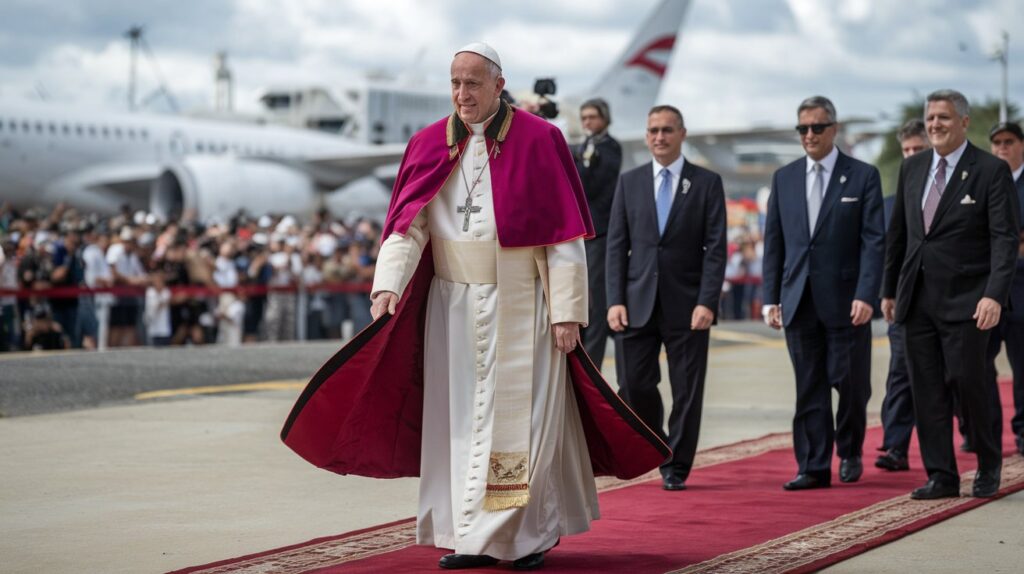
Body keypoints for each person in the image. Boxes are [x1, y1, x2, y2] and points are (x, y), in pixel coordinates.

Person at [280, 43, 668, 571]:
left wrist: (567, 311)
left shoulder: (541, 139)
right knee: (458, 420)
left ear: (498, 84)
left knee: (520, 421)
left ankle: (523, 536)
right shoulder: (426, 143)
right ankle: (467, 532)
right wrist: (387, 285)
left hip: (523, 305)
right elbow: (407, 226)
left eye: (473, 84)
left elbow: (564, 239)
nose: (462, 94)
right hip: (451, 308)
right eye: (455, 83)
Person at [881, 89, 1018, 499]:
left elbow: (1004, 239)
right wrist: (889, 290)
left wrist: (994, 294)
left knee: (969, 385)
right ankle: (941, 475)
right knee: (926, 391)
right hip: (917, 300)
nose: (935, 125)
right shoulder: (914, 168)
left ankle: (989, 464)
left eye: (943, 117)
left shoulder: (991, 170)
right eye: (931, 118)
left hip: (969, 302)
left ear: (963, 122)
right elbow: (899, 235)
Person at [762, 96, 885, 491]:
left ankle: (849, 449)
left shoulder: (863, 176)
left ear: (834, 129)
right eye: (803, 129)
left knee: (850, 384)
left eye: (817, 127)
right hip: (798, 301)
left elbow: (873, 242)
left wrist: (867, 294)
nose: (810, 135)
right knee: (809, 386)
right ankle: (813, 465)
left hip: (848, 302)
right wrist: (770, 297)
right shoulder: (784, 178)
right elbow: (774, 243)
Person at [605, 104, 727, 491]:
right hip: (636, 302)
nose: (660, 137)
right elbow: (616, 246)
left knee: (687, 390)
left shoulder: (706, 183)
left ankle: (677, 465)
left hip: (688, 306)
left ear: (682, 134)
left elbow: (716, 247)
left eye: (667, 130)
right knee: (633, 384)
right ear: (646, 136)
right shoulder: (630, 182)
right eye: (653, 130)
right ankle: (660, 443)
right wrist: (614, 299)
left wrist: (708, 301)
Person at [875, 119, 929, 472]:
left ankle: (968, 431)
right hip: (905, 301)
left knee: (954, 377)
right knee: (899, 374)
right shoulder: (890, 201)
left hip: (949, 301)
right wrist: (886, 294)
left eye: (917, 150)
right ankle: (895, 447)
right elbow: (888, 252)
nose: (911, 156)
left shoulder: (952, 192)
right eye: (906, 150)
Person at [573, 98, 622, 370]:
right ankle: (581, 365)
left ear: (604, 118)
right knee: (578, 300)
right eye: (584, 117)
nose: (587, 122)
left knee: (596, 302)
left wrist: (579, 160)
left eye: (592, 116)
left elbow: (587, 184)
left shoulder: (609, 147)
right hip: (580, 234)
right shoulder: (585, 147)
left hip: (599, 233)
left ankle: (593, 368)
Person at [987, 121, 1024, 456]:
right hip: (987, 292)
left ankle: (1023, 431)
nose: (1002, 147)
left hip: (1021, 292)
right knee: (980, 367)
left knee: (1022, 367)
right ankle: (983, 432)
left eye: (1008, 141)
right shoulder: (985, 181)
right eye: (996, 142)